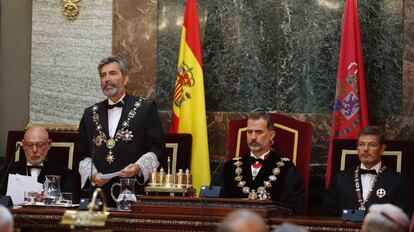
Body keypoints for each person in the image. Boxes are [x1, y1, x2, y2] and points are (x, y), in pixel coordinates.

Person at [77, 56, 165, 206]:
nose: (107, 79)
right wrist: (92, 175)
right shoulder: (90, 114)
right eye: (103, 75)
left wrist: (137, 167)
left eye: (112, 73)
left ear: (125, 79)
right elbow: (81, 153)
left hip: (133, 193)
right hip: (99, 196)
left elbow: (157, 148)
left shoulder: (145, 109)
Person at [220, 112, 305, 214]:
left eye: (259, 132)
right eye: (249, 132)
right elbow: (216, 207)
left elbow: (294, 210)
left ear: (271, 135)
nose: (253, 137)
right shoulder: (229, 168)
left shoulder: (287, 169)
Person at [323, 126, 412, 216]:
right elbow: (328, 213)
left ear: (382, 149)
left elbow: (401, 217)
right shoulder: (340, 179)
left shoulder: (398, 181)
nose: (365, 149)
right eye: (361, 144)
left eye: (372, 145)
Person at [0, 125, 77, 201]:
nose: (34, 150)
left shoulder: (63, 173)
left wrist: (47, 200)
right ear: (23, 145)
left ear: (49, 144)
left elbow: (71, 201)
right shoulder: (8, 171)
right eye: (29, 145)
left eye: (40, 145)